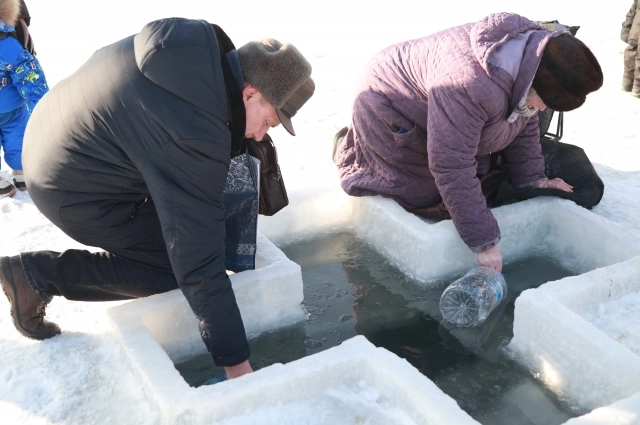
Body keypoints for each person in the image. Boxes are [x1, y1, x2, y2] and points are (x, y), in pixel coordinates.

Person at [0, 17, 314, 380]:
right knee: (173, 266)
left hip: (52, 130)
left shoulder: (195, 55)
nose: (261, 135)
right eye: (269, 123)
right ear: (249, 93)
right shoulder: (192, 129)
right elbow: (197, 262)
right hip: (67, 185)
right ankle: (37, 275)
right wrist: (237, 364)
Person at [334, 12, 603, 272]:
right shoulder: (468, 84)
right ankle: (354, 144)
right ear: (536, 84)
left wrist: (533, 179)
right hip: (386, 103)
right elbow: (450, 163)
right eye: (545, 101)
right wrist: (483, 242)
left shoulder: (528, 63)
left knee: (478, 170)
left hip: (439, 103)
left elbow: (523, 120)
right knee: (422, 193)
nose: (544, 109)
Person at [0, 0, 48, 197]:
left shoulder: (6, 44)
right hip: (13, 107)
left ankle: (21, 172)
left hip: (13, 109)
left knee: (19, 141)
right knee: (18, 138)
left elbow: (29, 76)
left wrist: (41, 105)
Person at [621, 0, 640, 97]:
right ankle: (636, 87)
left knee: (632, 49)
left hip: (636, 28)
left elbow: (633, 10)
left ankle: (628, 83)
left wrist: (626, 29)